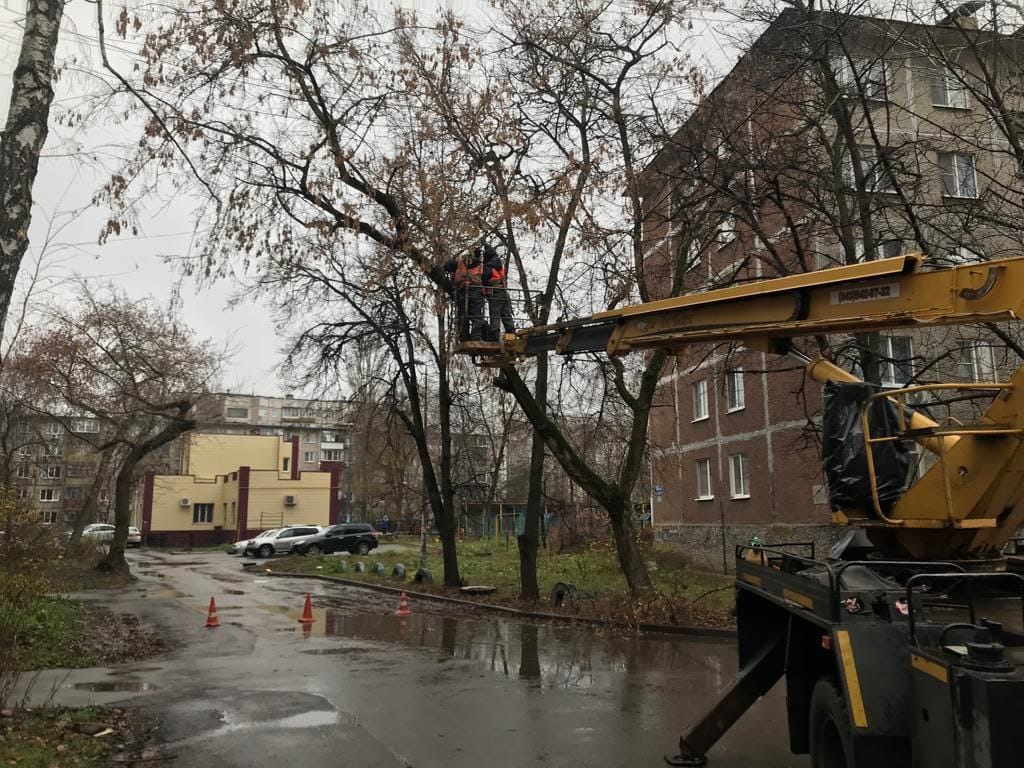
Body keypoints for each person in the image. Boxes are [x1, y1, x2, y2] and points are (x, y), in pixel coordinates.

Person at [444, 248, 485, 341]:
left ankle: (464, 338)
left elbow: (449, 266)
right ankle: (476, 338)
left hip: (462, 291)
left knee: (463, 315)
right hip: (476, 291)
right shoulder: (481, 265)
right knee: (477, 316)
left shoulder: (460, 263)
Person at [482, 243, 515, 341]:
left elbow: (484, 280)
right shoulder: (499, 264)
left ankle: (495, 339)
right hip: (504, 292)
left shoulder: (487, 267)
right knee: (507, 316)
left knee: (495, 316)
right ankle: (511, 339)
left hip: (495, 293)